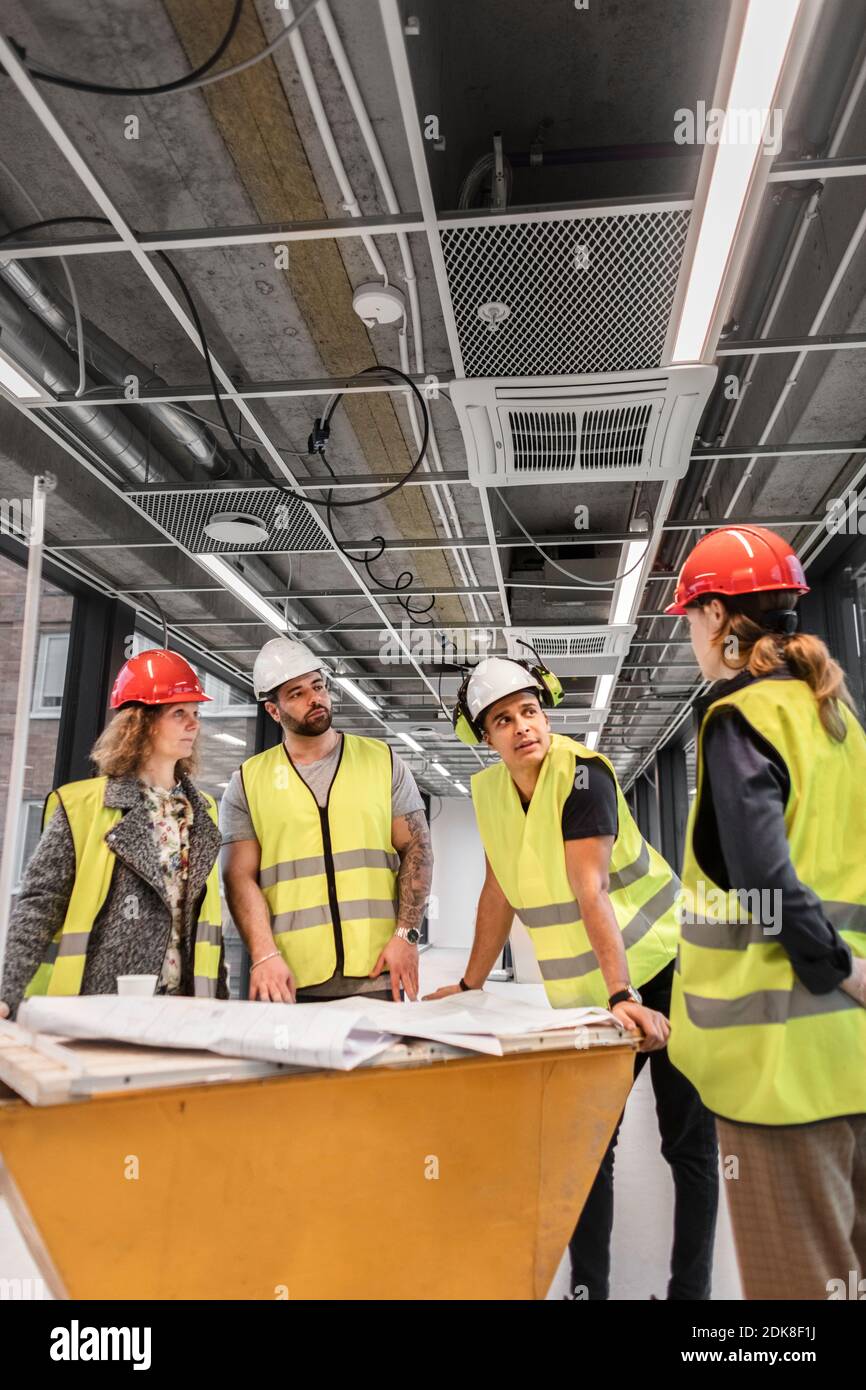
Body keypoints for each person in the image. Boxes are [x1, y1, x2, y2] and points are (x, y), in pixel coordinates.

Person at [426, 654, 718, 1300]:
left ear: (545, 711)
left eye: (530, 710)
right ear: (484, 736)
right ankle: (591, 1291)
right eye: (503, 719)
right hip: (596, 994)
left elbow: (590, 890)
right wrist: (471, 983)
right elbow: (497, 892)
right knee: (588, 1148)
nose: (523, 726)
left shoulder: (583, 777)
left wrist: (624, 994)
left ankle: (690, 1296)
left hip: (669, 966)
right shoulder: (492, 797)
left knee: (687, 1143)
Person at [665, 524, 866, 1301]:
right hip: (853, 1058)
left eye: (689, 618)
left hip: (781, 1072)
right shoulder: (842, 726)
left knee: (799, 1300)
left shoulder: (737, 718)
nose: (690, 635)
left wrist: (840, 969)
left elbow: (764, 883)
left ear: (716, 617)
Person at [0, 649, 225, 1018]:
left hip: (186, 1004)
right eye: (179, 713)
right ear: (142, 723)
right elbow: (38, 906)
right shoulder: (82, 807)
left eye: (196, 714)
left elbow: (203, 920)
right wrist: (7, 994)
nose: (193, 724)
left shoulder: (201, 812)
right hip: (101, 1001)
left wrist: (220, 1003)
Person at [221, 637, 432, 1004]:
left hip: (377, 970)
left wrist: (407, 936)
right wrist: (263, 954)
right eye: (297, 693)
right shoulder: (248, 782)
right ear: (274, 711)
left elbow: (418, 847)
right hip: (290, 977)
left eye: (318, 686)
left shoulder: (380, 761)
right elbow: (238, 877)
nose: (314, 699)